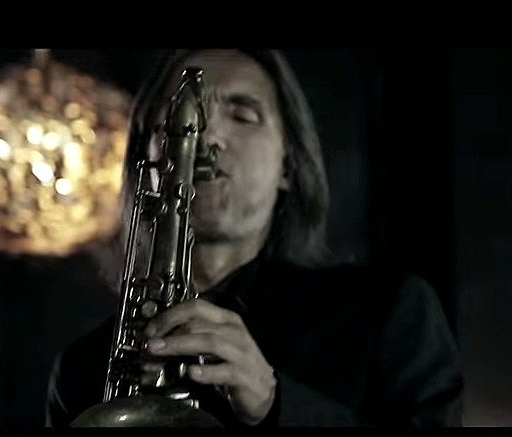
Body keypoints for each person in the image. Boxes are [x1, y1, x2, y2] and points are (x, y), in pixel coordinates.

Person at [45, 49, 464, 428]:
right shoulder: (81, 368)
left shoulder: (389, 314)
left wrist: (275, 404)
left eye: (243, 115)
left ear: (288, 166)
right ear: (148, 158)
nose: (207, 138)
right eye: (177, 122)